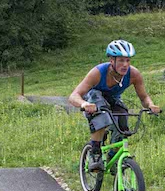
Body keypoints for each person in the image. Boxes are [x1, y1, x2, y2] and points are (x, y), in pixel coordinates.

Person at [69, 39, 160, 172]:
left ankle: (113, 157)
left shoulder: (134, 74)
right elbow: (73, 96)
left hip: (112, 100)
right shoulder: (98, 72)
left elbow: (144, 97)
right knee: (102, 115)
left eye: (128, 61)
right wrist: (84, 104)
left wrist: (151, 105)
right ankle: (95, 154)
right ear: (112, 61)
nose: (125, 65)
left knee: (123, 123)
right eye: (121, 60)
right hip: (93, 99)